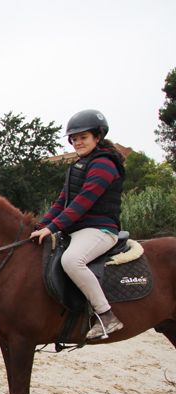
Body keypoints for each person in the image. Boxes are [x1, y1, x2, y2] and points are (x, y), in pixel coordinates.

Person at [30, 109, 126, 340]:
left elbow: (83, 202)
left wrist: (53, 228)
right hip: (78, 230)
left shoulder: (104, 164)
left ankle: (106, 316)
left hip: (100, 230)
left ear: (98, 137)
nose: (77, 142)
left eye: (83, 137)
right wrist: (39, 225)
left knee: (72, 260)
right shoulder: (79, 166)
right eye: (74, 139)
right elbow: (62, 202)